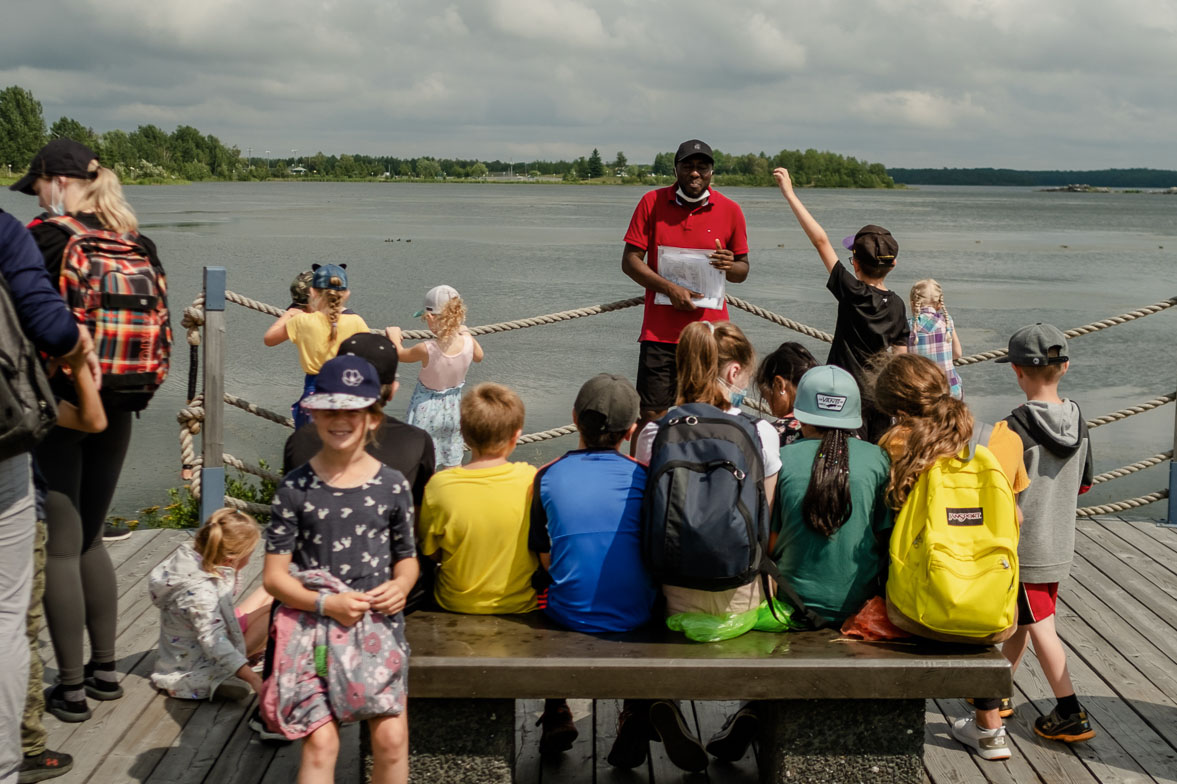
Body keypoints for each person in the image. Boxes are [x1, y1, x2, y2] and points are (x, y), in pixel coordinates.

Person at [13, 140, 170, 727]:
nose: (37, 196)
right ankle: (107, 672)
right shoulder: (137, 241)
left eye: (37, 186)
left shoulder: (45, 238)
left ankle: (71, 689)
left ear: (56, 181)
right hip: (125, 399)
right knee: (91, 538)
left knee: (58, 543)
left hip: (61, 403)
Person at [705, 365, 893, 763]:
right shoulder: (878, 460)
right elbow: (883, 536)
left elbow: (763, 541)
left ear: (801, 414)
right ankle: (755, 711)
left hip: (790, 610)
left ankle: (753, 708)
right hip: (859, 612)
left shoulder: (781, 460)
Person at [630, 320, 781, 773]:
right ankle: (755, 710)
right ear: (733, 373)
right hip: (741, 601)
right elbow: (765, 525)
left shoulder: (654, 433)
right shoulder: (762, 434)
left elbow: (644, 519)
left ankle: (654, 703)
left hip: (672, 600)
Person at [263, 355, 418, 784]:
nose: (340, 419)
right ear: (312, 413)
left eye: (352, 410)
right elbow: (274, 577)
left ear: (373, 417)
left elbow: (407, 556)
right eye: (329, 409)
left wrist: (402, 585)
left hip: (376, 628)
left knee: (391, 739)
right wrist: (326, 603)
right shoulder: (294, 488)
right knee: (321, 743)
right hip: (311, 634)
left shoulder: (392, 486)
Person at [870, 353, 1030, 761]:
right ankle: (990, 731)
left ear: (897, 410)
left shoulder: (894, 445)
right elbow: (1016, 517)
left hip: (913, 611)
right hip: (986, 614)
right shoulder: (988, 443)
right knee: (977, 585)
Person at [950, 323, 1095, 758]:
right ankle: (996, 694)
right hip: (1059, 546)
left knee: (1039, 626)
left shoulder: (1011, 429)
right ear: (1064, 367)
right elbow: (1084, 484)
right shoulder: (1080, 421)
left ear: (1016, 371)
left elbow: (998, 494)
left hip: (1022, 550)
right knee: (1024, 622)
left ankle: (1070, 711)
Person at [1, 207, 96, 783]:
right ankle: (10, 762)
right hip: (3, 450)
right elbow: (53, 328)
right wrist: (79, 356)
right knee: (8, 616)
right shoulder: (6, 231)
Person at [526, 374, 655, 756]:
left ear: (574, 418)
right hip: (637, 614)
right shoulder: (645, 477)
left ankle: (555, 709)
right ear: (631, 430)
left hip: (569, 615)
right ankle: (636, 709)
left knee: (545, 588)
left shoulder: (546, 476)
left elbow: (546, 557)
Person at [622, 140, 750, 449]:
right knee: (652, 414)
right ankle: (645, 478)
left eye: (702, 167)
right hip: (659, 334)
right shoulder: (651, 202)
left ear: (711, 172)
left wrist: (731, 264)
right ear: (676, 169)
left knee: (713, 410)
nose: (695, 173)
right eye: (688, 166)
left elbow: (743, 271)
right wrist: (668, 288)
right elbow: (629, 262)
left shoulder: (731, 210)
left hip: (712, 335)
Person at [773, 167, 908, 442]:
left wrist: (789, 193)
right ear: (893, 264)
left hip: (842, 397)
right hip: (881, 402)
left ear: (855, 263)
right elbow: (901, 359)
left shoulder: (852, 291)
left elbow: (820, 240)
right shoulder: (898, 306)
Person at [416, 383, 536, 614]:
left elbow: (431, 551)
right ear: (516, 436)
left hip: (454, 603)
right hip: (519, 604)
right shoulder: (531, 479)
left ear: (463, 432)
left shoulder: (439, 486)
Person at [148, 508, 271, 700]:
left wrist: (232, 571)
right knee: (278, 613)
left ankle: (243, 661)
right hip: (197, 663)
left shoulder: (190, 560)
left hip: (208, 630)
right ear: (230, 559)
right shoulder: (200, 593)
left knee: (273, 592)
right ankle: (232, 673)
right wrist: (253, 679)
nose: (249, 560)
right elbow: (214, 642)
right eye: (248, 555)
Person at [386, 285, 484, 469]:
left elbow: (400, 355)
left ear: (430, 317)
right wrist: (465, 331)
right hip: (453, 408)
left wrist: (394, 337)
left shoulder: (426, 348)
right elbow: (479, 357)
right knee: (452, 459)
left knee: (420, 459)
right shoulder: (469, 343)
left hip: (426, 409)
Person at [263, 263, 369, 429]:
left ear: (312, 292)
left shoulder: (301, 321)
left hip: (315, 392)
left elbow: (269, 339)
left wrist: (290, 314)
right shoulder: (356, 321)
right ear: (346, 293)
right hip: (348, 393)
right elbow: (369, 355)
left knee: (310, 448)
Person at [754, 342, 819, 446]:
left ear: (779, 385)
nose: (772, 410)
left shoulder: (773, 435)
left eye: (767, 399)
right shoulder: (840, 429)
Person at [907, 279, 963, 398]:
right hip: (951, 391)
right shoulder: (947, 321)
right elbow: (957, 353)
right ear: (939, 304)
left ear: (913, 303)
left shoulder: (908, 326)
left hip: (922, 393)